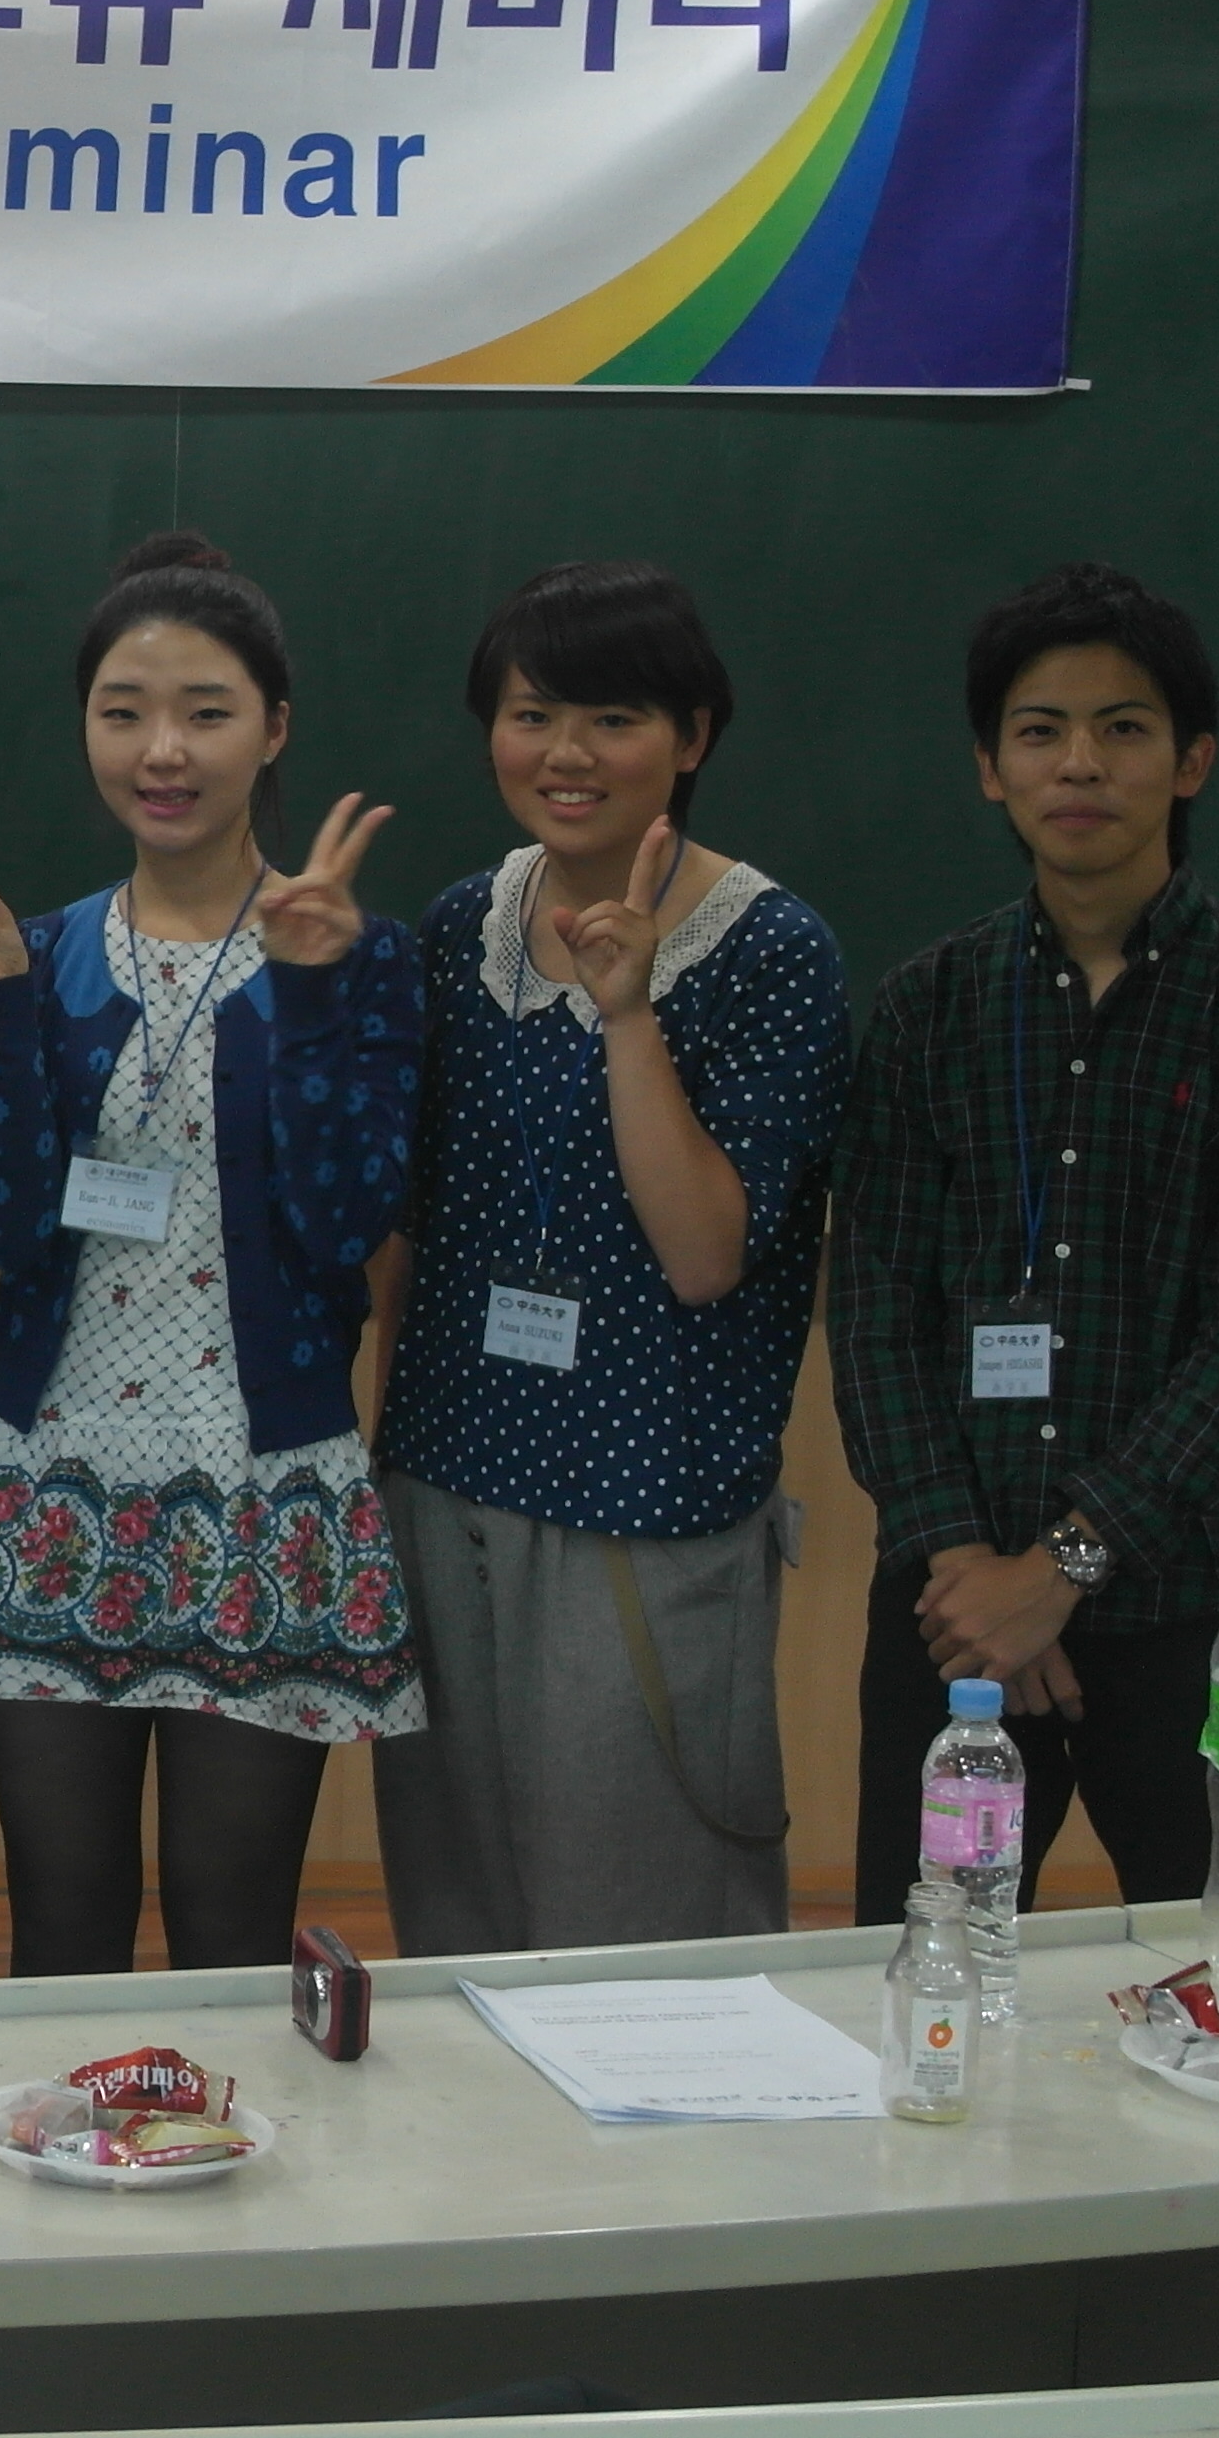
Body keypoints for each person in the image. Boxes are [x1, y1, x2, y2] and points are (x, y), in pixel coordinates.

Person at [0, 530, 421, 1976]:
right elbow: (5, 1228)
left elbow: (341, 1230)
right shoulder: (40, 950)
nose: (162, 751)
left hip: (261, 1496)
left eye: (205, 712)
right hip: (47, 1490)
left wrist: (311, 997)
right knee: (60, 1926)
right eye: (123, 713)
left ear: (274, 728)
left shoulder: (360, 955)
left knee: (231, 1931)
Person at [829, 562, 1219, 1922]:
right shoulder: (929, 1010)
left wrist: (1058, 1573)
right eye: (1040, 730)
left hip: (1200, 1607)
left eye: (1123, 728)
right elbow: (878, 1311)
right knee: (929, 1962)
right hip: (954, 1613)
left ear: (1191, 762)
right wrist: (971, 1575)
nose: (1080, 763)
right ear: (991, 769)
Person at [369, 565, 844, 1954]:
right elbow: (417, 1234)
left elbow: (705, 1255)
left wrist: (629, 1014)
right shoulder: (460, 928)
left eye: (614, 718)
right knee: (455, 1918)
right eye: (532, 715)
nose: (565, 754)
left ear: (692, 737)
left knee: (630, 1941)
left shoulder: (770, 951)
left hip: (640, 1504)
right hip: (446, 1483)